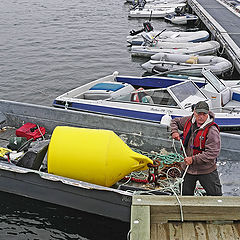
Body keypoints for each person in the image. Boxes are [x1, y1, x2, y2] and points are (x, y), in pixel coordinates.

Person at [170, 101, 222, 196]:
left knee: (216, 196)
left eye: (204, 114)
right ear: (194, 112)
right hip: (188, 168)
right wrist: (174, 132)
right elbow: (174, 121)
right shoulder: (188, 121)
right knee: (184, 195)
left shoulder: (212, 131)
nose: (201, 117)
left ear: (208, 114)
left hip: (206, 170)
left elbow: (212, 153)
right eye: (199, 114)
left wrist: (193, 159)